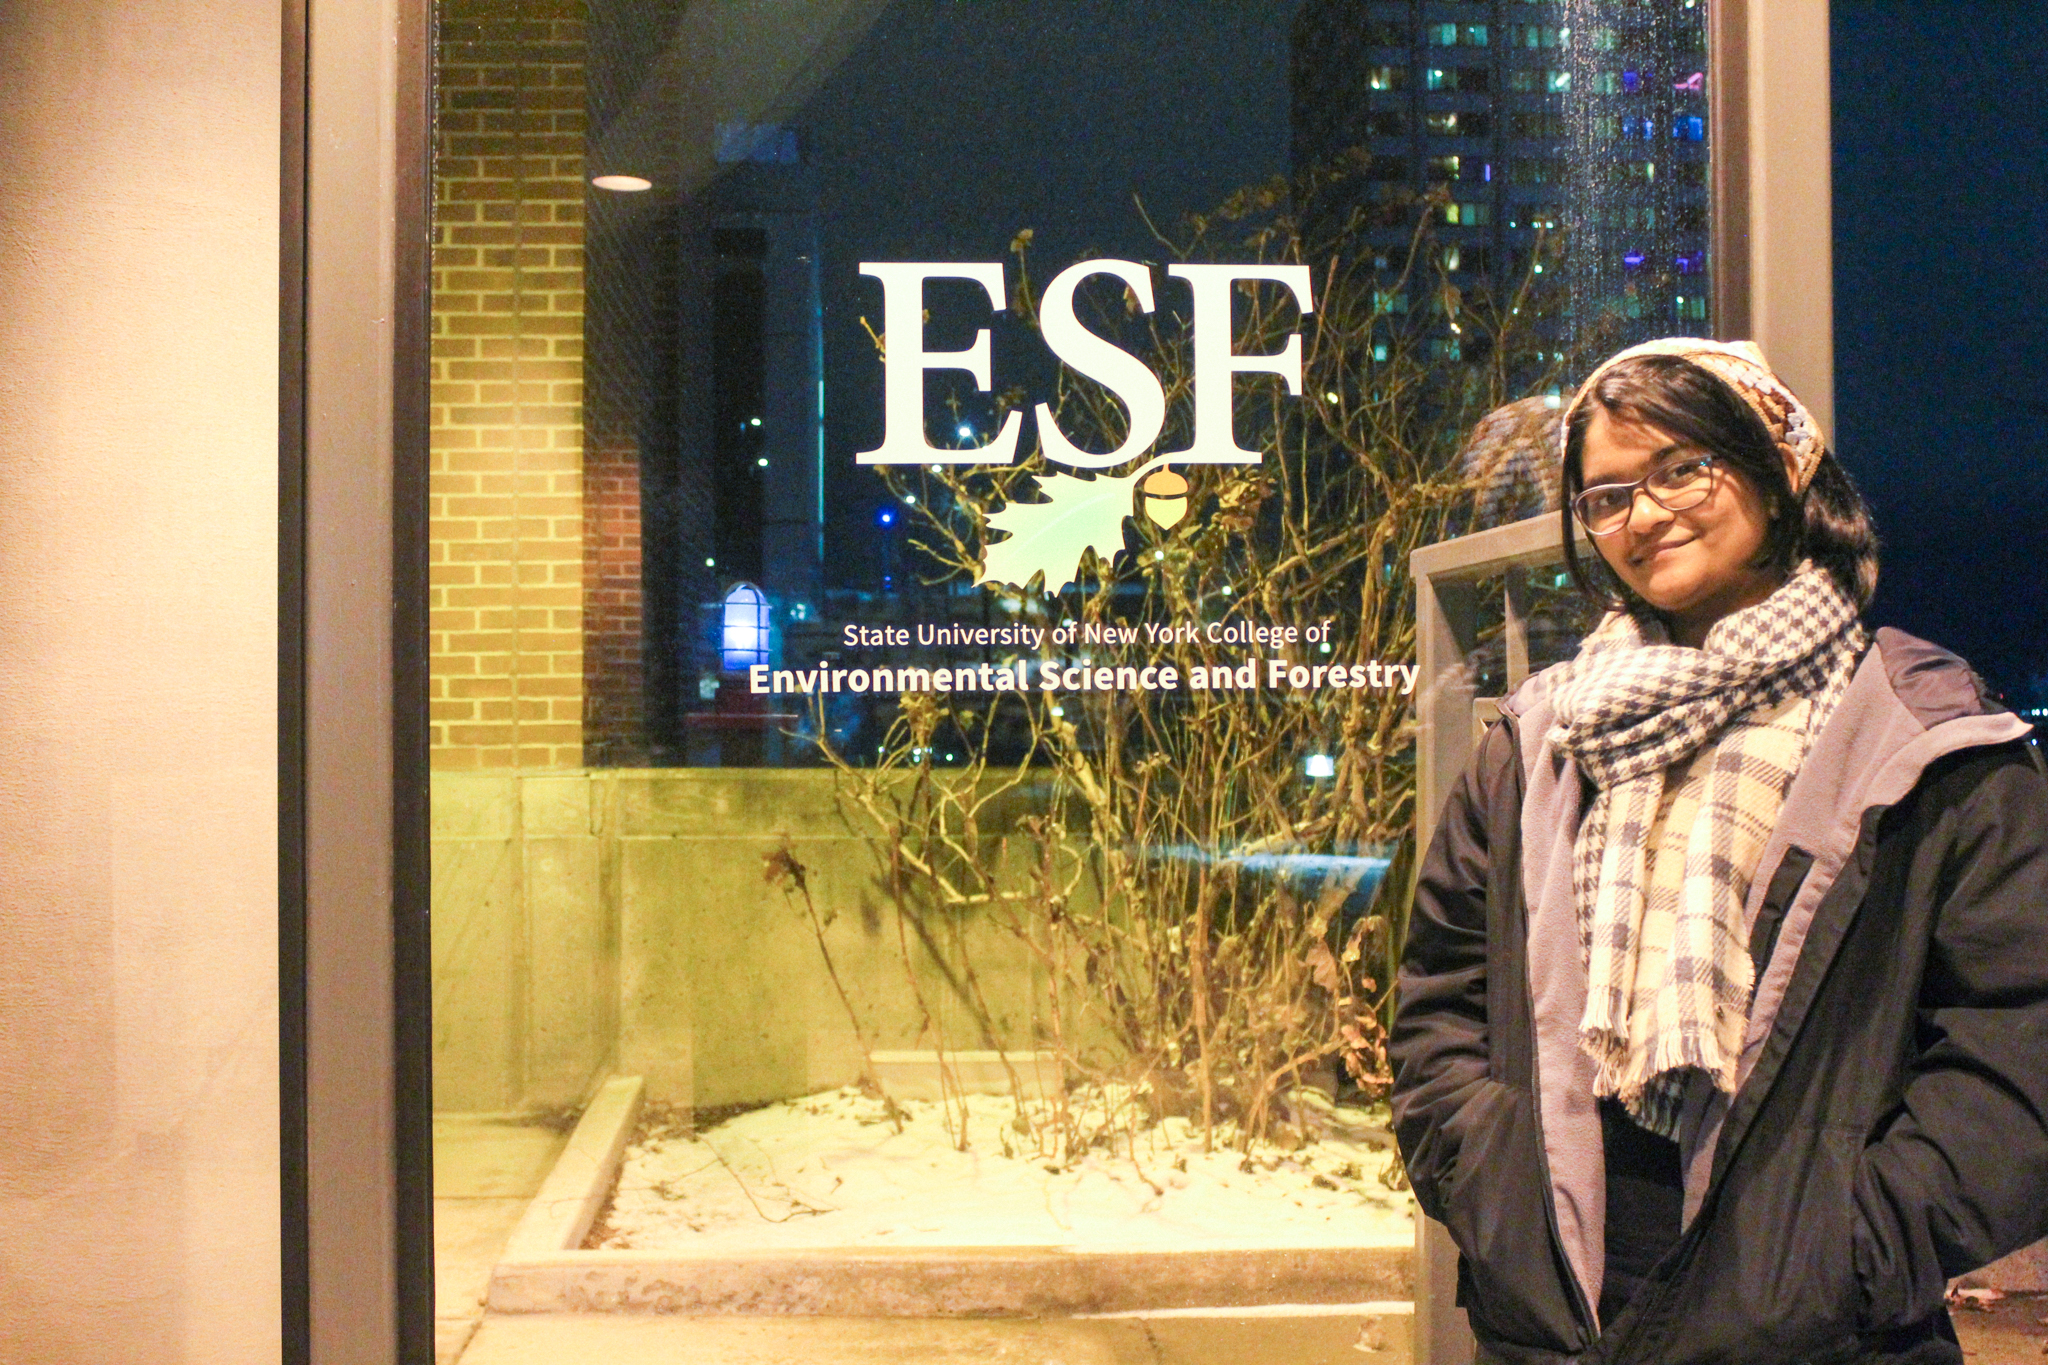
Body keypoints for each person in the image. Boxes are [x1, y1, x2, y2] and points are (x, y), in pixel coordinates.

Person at [1390, 338, 2048, 1365]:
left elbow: (2014, 1046)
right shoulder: (1537, 738)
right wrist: (1491, 1192)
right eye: (1605, 496)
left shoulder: (1924, 740)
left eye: (1679, 468)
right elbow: (1438, 1003)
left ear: (1780, 463)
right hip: (1558, 1325)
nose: (1642, 515)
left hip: (1819, 1330)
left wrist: (1847, 1253)